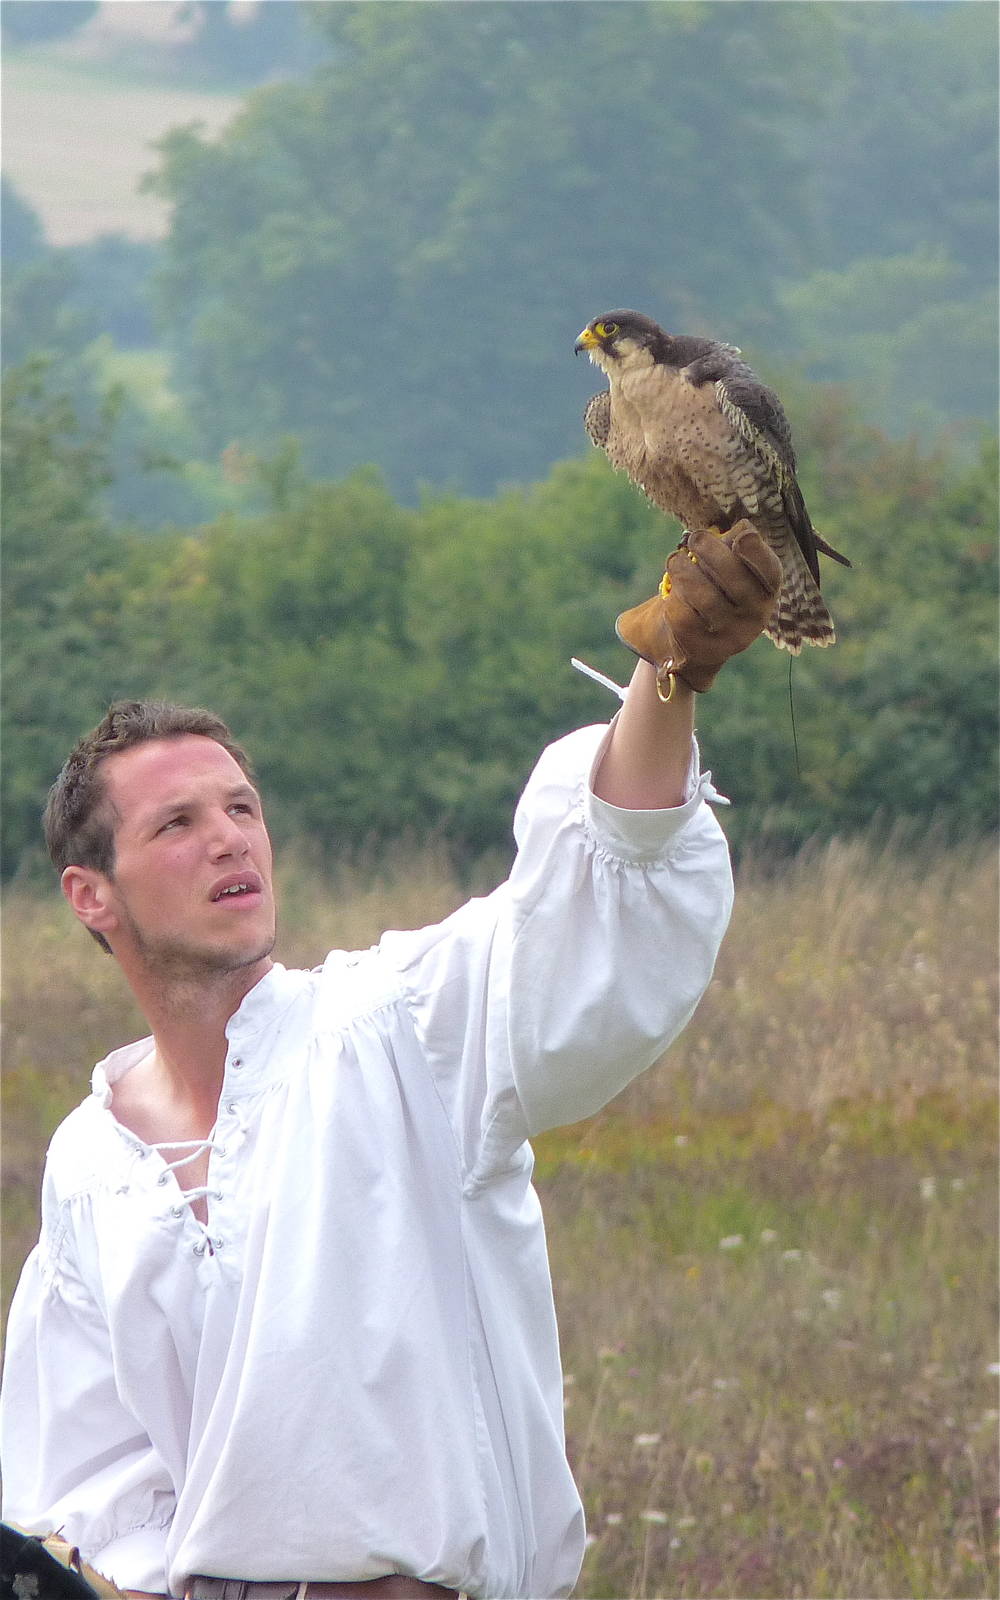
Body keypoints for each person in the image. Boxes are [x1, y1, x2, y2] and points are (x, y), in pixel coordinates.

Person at [1, 526, 781, 1600]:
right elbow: (88, 1469)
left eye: (241, 808)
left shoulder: (396, 1028)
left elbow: (579, 920)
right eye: (177, 824)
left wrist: (668, 676)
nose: (230, 838)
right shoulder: (93, 1165)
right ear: (92, 895)